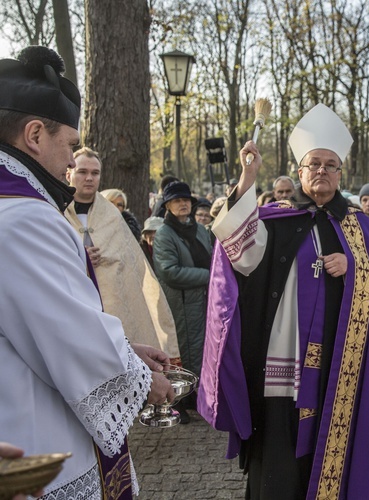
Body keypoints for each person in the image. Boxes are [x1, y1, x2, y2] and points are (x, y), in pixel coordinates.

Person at [197, 103, 369, 499]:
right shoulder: (276, 218)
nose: (322, 171)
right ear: (300, 171)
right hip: (282, 366)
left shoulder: (360, 227)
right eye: (314, 164)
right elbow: (236, 250)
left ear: (341, 173)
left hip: (337, 364)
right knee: (279, 462)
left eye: (331, 164)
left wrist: (354, 267)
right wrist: (247, 178)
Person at [0, 45, 173, 499]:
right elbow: (67, 334)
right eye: (72, 145)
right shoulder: (23, 217)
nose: (73, 163)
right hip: (38, 440)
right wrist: (137, 377)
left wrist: (125, 348)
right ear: (35, 134)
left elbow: (39, 321)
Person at [65, 147, 181, 364]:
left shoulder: (111, 216)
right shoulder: (54, 209)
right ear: (69, 172)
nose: (89, 178)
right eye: (82, 172)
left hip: (113, 310)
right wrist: (77, 257)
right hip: (72, 307)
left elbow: (134, 268)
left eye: (95, 173)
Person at [152, 181, 212, 385]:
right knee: (184, 349)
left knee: (202, 348)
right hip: (181, 303)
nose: (183, 204)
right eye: (176, 201)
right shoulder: (164, 234)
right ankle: (183, 397)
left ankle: (199, 393)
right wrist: (208, 276)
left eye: (186, 200)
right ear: (167, 206)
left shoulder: (200, 230)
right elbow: (170, 272)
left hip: (204, 300)